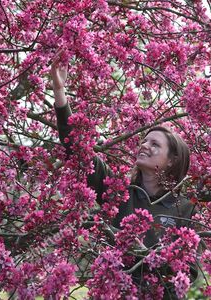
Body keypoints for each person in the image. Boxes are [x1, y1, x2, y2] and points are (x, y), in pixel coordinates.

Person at [50, 50, 197, 248]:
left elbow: (188, 269)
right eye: (145, 141)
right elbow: (79, 150)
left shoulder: (184, 209)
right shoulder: (119, 192)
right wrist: (59, 92)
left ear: (172, 160)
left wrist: (146, 255)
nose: (144, 145)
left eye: (155, 144)